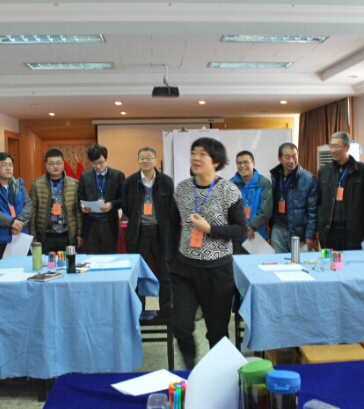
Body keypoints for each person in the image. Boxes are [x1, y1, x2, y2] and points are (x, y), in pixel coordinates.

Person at [172, 137, 248, 369]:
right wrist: (170, 259)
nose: (195, 158)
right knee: (181, 327)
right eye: (193, 152)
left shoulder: (228, 190)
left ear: (216, 161)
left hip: (217, 271)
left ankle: (219, 376)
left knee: (217, 332)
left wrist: (210, 229)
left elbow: (241, 230)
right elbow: (172, 224)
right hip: (185, 270)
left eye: (202, 154)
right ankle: (190, 372)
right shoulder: (182, 189)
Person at [122, 147, 177, 314]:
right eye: (142, 158)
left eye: (149, 157)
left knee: (164, 272)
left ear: (155, 160)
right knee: (140, 273)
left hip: (161, 232)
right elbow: (126, 207)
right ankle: (141, 310)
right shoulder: (130, 182)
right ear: (137, 160)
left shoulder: (166, 181)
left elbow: (171, 206)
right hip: (139, 233)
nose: (145, 161)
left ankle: (166, 310)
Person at [317, 132, 364, 250]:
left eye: (336, 146)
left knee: (353, 261)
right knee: (331, 261)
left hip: (354, 230)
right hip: (330, 230)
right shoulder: (324, 171)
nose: (333, 150)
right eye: (331, 146)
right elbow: (319, 201)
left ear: (347, 147)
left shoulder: (362, 170)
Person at [0, 152, 33, 268]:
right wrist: (11, 223)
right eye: (4, 165)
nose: (8, 168)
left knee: (22, 272)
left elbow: (28, 205)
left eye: (10, 165)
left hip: (19, 238)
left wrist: (19, 222)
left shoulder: (18, 185)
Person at [29, 149, 82, 254]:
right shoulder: (36, 184)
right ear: (46, 165)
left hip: (67, 236)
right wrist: (33, 235)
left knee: (68, 263)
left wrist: (79, 234)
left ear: (63, 164)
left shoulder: (74, 184)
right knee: (46, 263)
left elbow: (78, 211)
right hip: (45, 236)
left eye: (58, 163)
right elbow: (32, 211)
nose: (55, 166)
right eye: (51, 163)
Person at [269, 143, 318, 253]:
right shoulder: (275, 176)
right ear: (279, 159)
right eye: (287, 157)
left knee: (301, 262)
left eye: (294, 156)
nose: (292, 160)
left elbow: (313, 210)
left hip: (299, 232)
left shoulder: (309, 179)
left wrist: (310, 235)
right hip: (278, 229)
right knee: (279, 262)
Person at [78, 144, 124, 254]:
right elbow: (79, 198)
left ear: (107, 158)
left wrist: (111, 205)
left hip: (109, 224)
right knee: (91, 258)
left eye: (101, 162)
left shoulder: (118, 176)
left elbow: (123, 199)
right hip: (91, 224)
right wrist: (82, 206)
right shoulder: (85, 176)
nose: (98, 166)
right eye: (94, 163)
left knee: (110, 258)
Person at [231, 150, 273, 254]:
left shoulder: (264, 183)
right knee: (237, 264)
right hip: (236, 237)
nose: (242, 166)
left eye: (246, 162)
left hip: (258, 236)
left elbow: (266, 210)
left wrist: (251, 226)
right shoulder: (231, 184)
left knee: (259, 263)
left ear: (253, 164)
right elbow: (228, 210)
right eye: (239, 163)